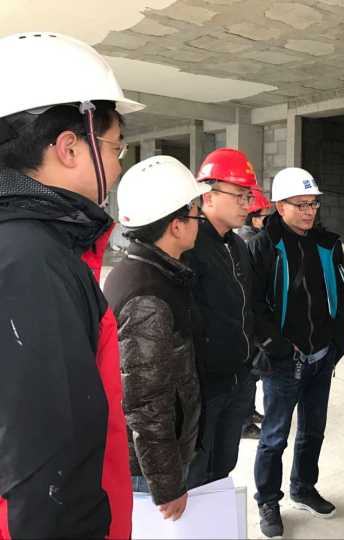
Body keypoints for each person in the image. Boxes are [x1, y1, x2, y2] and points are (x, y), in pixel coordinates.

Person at [0, 32, 144, 538]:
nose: (119, 164)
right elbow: (47, 475)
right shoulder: (31, 262)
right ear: (68, 148)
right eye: (116, 147)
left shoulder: (28, 245)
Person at [248, 167, 344, 538]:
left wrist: (336, 338)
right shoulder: (263, 246)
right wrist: (278, 347)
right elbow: (252, 305)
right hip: (283, 363)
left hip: (321, 357)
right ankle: (268, 500)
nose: (309, 211)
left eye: (313, 204)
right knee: (274, 436)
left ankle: (303, 488)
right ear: (280, 206)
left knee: (313, 431)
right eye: (301, 204)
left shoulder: (328, 244)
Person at [104, 156, 208, 521]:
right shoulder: (148, 295)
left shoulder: (150, 271)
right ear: (176, 226)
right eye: (196, 214)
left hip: (156, 457)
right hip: (148, 469)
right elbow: (146, 404)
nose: (200, 220)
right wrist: (168, 485)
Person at [184, 147, 258, 488]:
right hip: (205, 385)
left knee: (224, 465)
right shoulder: (189, 245)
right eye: (240, 196)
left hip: (239, 379)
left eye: (248, 196)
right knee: (196, 473)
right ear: (208, 195)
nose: (247, 205)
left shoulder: (238, 246)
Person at [237, 187, 273, 440]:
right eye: (263, 216)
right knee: (249, 375)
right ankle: (244, 422)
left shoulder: (251, 237)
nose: (267, 221)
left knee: (252, 374)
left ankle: (248, 412)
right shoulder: (251, 241)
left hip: (251, 317)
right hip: (249, 319)